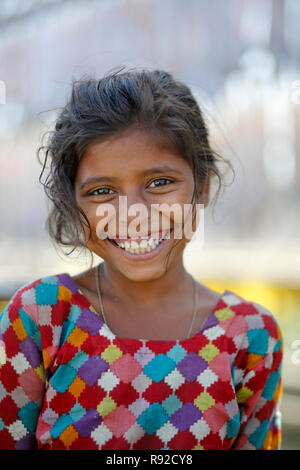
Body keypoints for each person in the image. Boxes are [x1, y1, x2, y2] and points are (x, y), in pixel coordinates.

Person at [0, 67, 283, 450]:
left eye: (160, 183)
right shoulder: (41, 317)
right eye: (102, 191)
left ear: (201, 187)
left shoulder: (250, 335)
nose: (134, 212)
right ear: (72, 204)